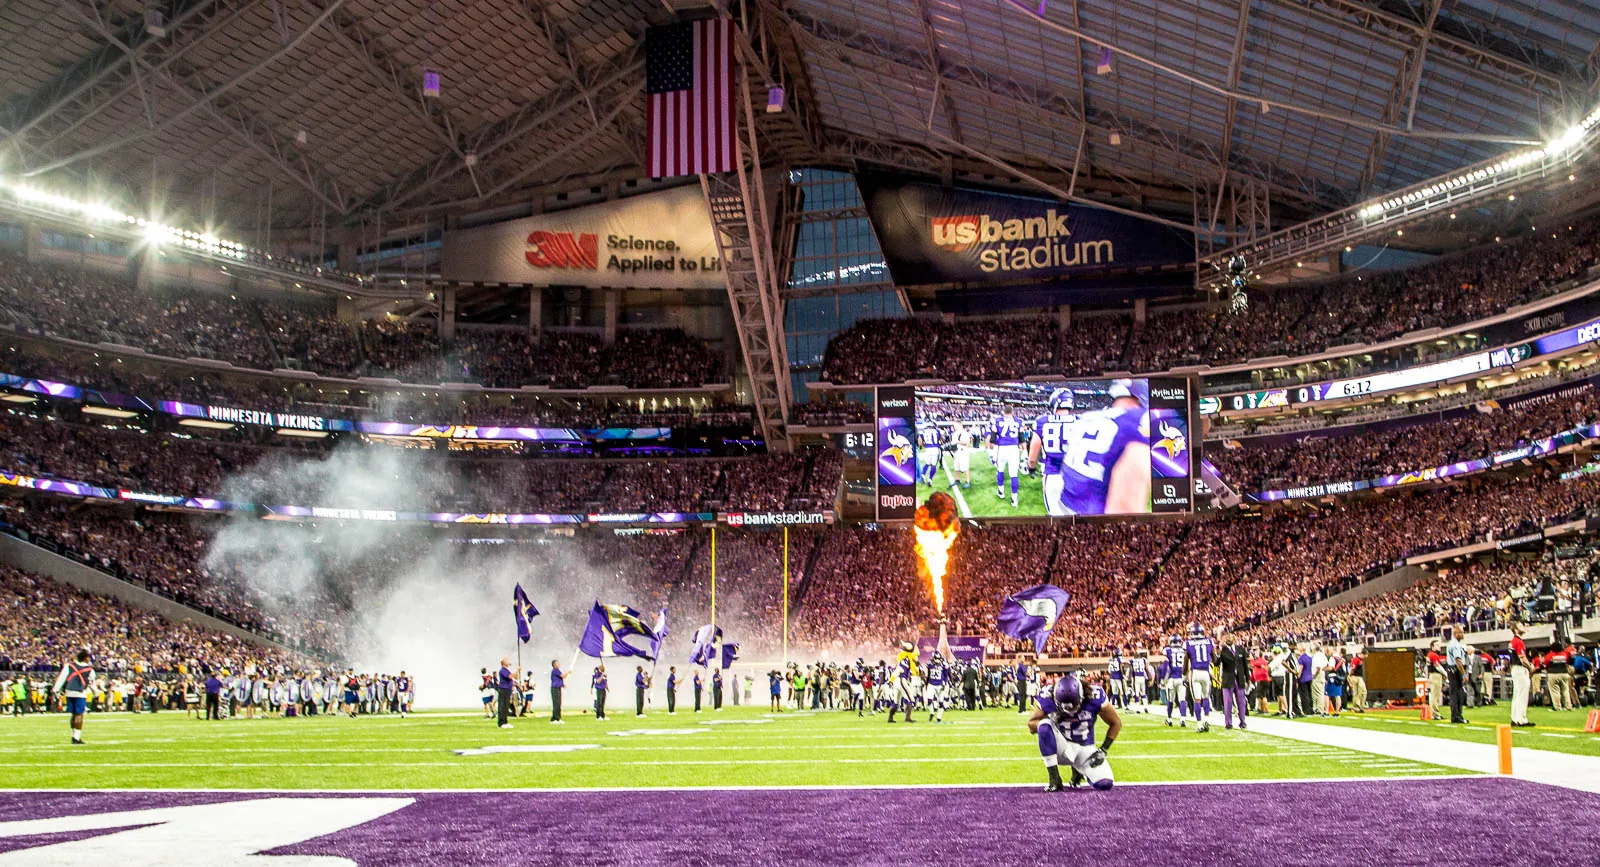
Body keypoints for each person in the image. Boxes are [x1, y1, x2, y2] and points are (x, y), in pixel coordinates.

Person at [1028, 673, 1121, 792]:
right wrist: (1053, 719)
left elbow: (1116, 723)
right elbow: (1031, 725)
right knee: (1044, 726)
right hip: (1062, 748)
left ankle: (1079, 771)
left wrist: (1103, 750)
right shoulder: (1048, 697)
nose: (1069, 711)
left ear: (1082, 697)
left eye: (1073, 706)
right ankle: (1054, 778)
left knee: (1104, 784)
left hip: (1085, 748)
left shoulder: (1094, 697)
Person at [52, 649, 94, 745]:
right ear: (85, 658)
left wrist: (55, 689)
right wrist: (96, 692)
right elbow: (91, 682)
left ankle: (74, 735)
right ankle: (76, 737)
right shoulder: (90, 669)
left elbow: (61, 678)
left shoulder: (69, 666)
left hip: (69, 691)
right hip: (80, 693)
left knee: (73, 714)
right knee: (79, 715)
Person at [1217, 633, 1249, 731]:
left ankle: (1243, 721)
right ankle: (1228, 723)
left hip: (1239, 678)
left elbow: (1245, 665)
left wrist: (1248, 678)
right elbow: (1216, 663)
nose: (1228, 639)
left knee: (1241, 702)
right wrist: (1217, 653)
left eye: (1230, 637)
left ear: (1234, 639)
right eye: (1226, 638)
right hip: (1228, 679)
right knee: (1228, 702)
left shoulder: (1241, 650)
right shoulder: (1223, 651)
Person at [1509, 624, 1534, 727]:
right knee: (1522, 695)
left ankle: (1515, 718)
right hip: (1520, 670)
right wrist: (1530, 667)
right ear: (1515, 629)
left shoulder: (1512, 641)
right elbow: (1522, 658)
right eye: (1520, 625)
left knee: (1517, 695)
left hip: (1515, 669)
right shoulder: (1518, 641)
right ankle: (1521, 719)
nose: (1523, 627)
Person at [1446, 625, 1469, 725]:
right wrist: (1464, 674)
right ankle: (1457, 716)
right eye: (1461, 632)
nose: (1463, 634)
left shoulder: (1452, 643)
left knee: (1455, 694)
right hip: (1455, 670)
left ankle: (1456, 716)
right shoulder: (1455, 645)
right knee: (1457, 695)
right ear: (1456, 634)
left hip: (1452, 670)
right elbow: (1458, 660)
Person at [1346, 648, 1367, 713]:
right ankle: (1356, 707)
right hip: (1356, 677)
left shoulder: (1359, 659)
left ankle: (1360, 706)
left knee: (1363, 692)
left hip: (1359, 677)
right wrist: (1350, 676)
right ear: (1363, 654)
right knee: (1357, 692)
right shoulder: (1356, 659)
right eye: (1366, 654)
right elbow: (1352, 668)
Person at [549, 660, 567, 724]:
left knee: (559, 703)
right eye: (557, 663)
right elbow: (563, 676)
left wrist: (562, 684)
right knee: (556, 703)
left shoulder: (558, 670)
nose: (558, 664)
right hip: (555, 689)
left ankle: (558, 718)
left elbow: (559, 679)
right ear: (554, 664)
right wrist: (568, 672)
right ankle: (554, 719)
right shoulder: (555, 670)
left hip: (558, 688)